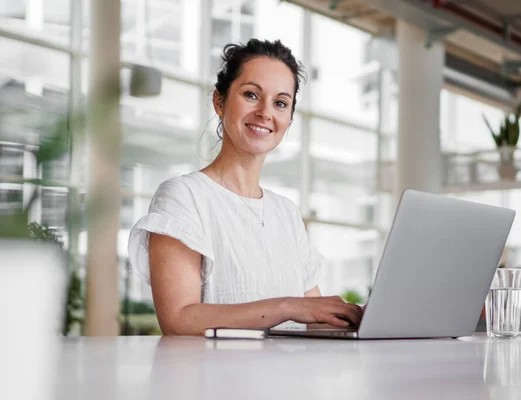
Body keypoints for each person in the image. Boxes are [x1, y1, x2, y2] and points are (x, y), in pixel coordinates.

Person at [128, 38, 363, 335]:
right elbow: (178, 319)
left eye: (280, 103)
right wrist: (287, 307)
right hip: (218, 380)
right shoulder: (184, 196)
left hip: (291, 380)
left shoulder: (286, 213)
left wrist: (362, 320)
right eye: (251, 95)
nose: (266, 112)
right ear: (220, 101)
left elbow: (314, 319)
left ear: (289, 120)